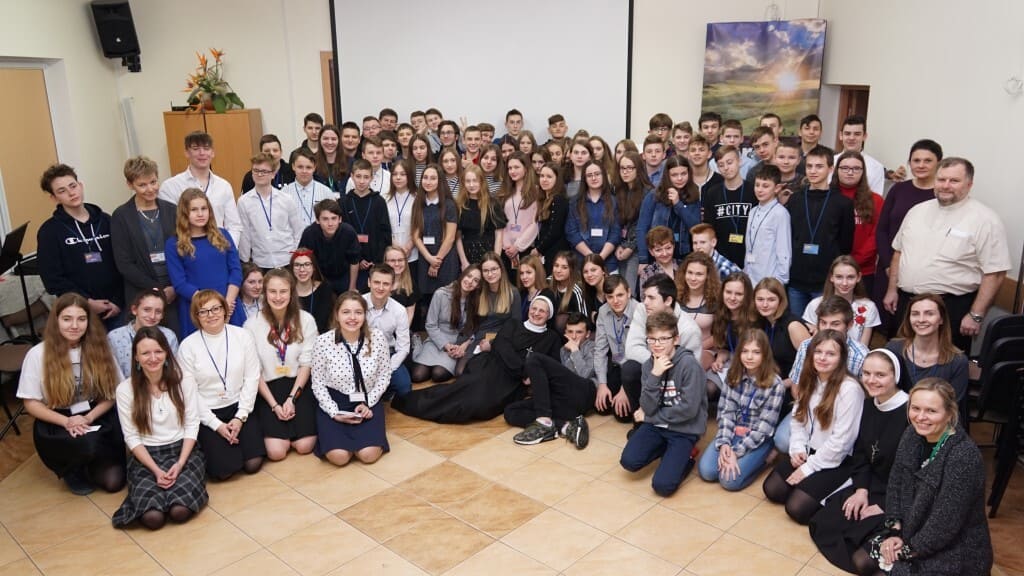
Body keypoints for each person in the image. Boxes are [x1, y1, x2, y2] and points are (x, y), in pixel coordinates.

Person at [884, 157, 1010, 352]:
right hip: (907, 303)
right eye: (941, 179)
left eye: (954, 181)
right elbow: (899, 253)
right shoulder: (917, 211)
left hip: (950, 308)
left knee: (945, 363)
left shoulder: (985, 220)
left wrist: (976, 315)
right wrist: (892, 289)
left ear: (969, 184)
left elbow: (995, 272)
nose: (945, 185)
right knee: (899, 357)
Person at [869, 378, 992, 575]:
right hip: (912, 533)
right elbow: (895, 485)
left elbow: (945, 524)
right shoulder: (911, 434)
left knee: (886, 570)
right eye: (915, 408)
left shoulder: (964, 456)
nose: (921, 417)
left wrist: (907, 550)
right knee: (863, 560)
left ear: (949, 414)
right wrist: (894, 531)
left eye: (931, 411)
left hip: (954, 549)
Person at [808, 349, 908, 575]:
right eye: (866, 373)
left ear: (896, 376)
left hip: (900, 494)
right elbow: (861, 454)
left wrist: (885, 506)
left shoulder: (911, 412)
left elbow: (916, 475)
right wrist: (861, 491)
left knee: (861, 555)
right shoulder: (870, 404)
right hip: (872, 483)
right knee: (823, 522)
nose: (871, 380)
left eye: (880, 375)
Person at [16, 293, 126, 495]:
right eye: (67, 319)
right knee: (87, 443)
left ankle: (90, 462)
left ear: (89, 322)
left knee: (114, 482)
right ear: (56, 320)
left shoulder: (101, 349)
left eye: (81, 319)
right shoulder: (37, 354)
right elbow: (31, 402)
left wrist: (88, 418)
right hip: (57, 419)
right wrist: (67, 422)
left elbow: (111, 394)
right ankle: (72, 468)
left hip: (94, 413)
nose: (74, 326)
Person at [396, 294, 562, 424]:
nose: (536, 313)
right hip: (490, 367)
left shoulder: (552, 338)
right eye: (534, 308)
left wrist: (533, 377)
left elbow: (553, 364)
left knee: (482, 407)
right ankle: (411, 403)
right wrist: (525, 372)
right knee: (459, 393)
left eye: (542, 311)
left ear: (548, 315)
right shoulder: (514, 324)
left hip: (512, 383)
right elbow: (502, 347)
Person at [763, 329, 864, 524]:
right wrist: (797, 448)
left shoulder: (850, 389)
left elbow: (841, 442)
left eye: (830, 354)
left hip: (838, 460)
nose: (822, 358)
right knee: (773, 490)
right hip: (810, 451)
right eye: (818, 352)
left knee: (797, 508)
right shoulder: (809, 379)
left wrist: (808, 468)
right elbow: (798, 419)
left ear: (841, 358)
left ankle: (839, 487)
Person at [112, 326, 207, 529]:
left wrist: (180, 464)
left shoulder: (184, 380)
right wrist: (155, 470)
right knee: (152, 518)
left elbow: (192, 424)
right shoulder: (125, 390)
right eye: (145, 353)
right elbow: (131, 437)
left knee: (180, 511)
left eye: (158, 351)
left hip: (182, 451)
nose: (153, 358)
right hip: (146, 457)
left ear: (166, 353)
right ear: (136, 357)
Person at [177, 290, 264, 480]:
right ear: (196, 316)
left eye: (216, 308)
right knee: (223, 472)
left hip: (240, 406)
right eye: (203, 311)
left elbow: (252, 377)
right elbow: (190, 393)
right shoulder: (187, 346)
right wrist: (216, 425)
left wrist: (240, 416)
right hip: (208, 412)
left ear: (225, 310)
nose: (211, 315)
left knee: (253, 463)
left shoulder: (242, 336)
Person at [619, 310, 707, 496]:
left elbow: (689, 410)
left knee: (662, 486)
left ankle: (686, 456)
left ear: (676, 339)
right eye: (652, 339)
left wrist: (649, 418)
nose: (657, 344)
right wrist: (655, 375)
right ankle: (668, 452)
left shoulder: (689, 365)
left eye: (663, 339)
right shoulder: (649, 366)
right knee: (628, 461)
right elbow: (647, 406)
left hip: (684, 429)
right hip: (658, 426)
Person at [37, 164, 124, 329]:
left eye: (73, 186)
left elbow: (123, 261)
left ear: (81, 186)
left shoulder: (106, 220)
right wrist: (86, 302)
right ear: (54, 198)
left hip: (117, 307)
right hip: (78, 312)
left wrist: (118, 301)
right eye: (62, 191)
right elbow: (53, 279)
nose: (71, 193)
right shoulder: (49, 232)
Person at [244, 269, 319, 461]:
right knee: (276, 452)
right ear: (264, 293)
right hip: (268, 390)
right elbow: (254, 371)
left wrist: (292, 399)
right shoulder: (251, 325)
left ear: (292, 292)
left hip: (298, 386)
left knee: (304, 446)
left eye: (283, 291)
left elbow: (306, 364)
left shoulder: (306, 320)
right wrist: (275, 405)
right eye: (273, 291)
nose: (278, 297)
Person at [310, 292, 391, 466]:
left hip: (367, 400)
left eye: (358, 312)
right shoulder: (323, 342)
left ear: (365, 315)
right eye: (346, 312)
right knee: (339, 457)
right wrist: (333, 411)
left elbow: (384, 375)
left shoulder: (377, 338)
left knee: (368, 455)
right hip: (335, 401)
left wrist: (369, 402)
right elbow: (317, 383)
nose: (352, 318)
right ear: (337, 315)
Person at [698, 329, 784, 491]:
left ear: (765, 355)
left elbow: (763, 429)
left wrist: (736, 452)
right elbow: (726, 413)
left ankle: (765, 459)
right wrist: (724, 444)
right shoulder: (733, 375)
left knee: (729, 481)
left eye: (756, 352)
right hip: (733, 432)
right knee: (707, 472)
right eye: (745, 351)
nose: (749, 357)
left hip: (757, 438)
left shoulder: (775, 384)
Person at [874, 139, 943, 336]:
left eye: (927, 161)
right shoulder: (898, 189)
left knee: (916, 326)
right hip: (889, 268)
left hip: (921, 273)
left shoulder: (942, 195)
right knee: (886, 325)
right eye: (916, 160)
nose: (921, 165)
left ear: (938, 163)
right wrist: (888, 264)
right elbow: (882, 229)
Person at [621, 274, 703, 424]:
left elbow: (692, 370)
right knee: (629, 369)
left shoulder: (689, 330)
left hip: (676, 382)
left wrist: (662, 368)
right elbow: (632, 349)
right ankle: (640, 421)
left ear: (668, 301)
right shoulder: (642, 310)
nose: (645, 302)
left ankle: (662, 421)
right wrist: (655, 367)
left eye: (651, 298)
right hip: (652, 371)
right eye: (645, 297)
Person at [505, 312, 593, 449]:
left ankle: (544, 419)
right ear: (565, 332)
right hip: (567, 404)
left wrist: (575, 351)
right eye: (570, 332)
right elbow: (560, 379)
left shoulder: (593, 347)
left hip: (585, 394)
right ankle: (566, 427)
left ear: (587, 334)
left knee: (534, 359)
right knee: (511, 411)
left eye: (579, 332)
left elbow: (585, 375)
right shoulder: (563, 350)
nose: (574, 336)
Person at [111, 156, 179, 333]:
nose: (150, 189)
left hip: (174, 292)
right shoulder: (121, 216)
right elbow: (124, 263)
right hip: (141, 293)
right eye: (142, 185)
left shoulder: (172, 210)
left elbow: (183, 251)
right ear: (130, 185)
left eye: (153, 182)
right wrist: (157, 290)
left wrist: (174, 286)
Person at [165, 188, 245, 337]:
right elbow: (179, 283)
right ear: (184, 213)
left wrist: (226, 304)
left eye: (204, 208)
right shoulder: (174, 244)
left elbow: (236, 271)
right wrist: (211, 308)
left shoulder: (223, 235)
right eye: (194, 210)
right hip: (197, 308)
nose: (200, 214)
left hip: (229, 304)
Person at [787, 145, 855, 318]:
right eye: (809, 166)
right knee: (796, 326)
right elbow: (789, 237)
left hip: (825, 282)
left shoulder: (843, 203)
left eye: (819, 166)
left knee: (825, 326)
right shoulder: (795, 200)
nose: (813, 171)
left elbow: (846, 244)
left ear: (830, 169)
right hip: (796, 279)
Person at [158, 131, 242, 244]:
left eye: (206, 148)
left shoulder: (224, 186)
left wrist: (227, 248)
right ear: (187, 152)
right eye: (196, 148)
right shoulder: (170, 186)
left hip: (220, 248)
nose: (202, 153)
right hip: (188, 249)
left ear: (212, 153)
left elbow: (234, 225)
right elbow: (169, 227)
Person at [885, 294, 968, 405]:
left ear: (941, 319)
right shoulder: (893, 349)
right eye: (915, 314)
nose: (921, 320)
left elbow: (952, 407)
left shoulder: (958, 361)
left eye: (929, 314)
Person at [409, 266, 482, 383]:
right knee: (418, 375)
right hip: (436, 340)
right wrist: (446, 345)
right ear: (463, 275)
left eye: (475, 280)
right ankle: (418, 347)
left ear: (478, 286)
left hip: (456, 344)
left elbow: (475, 328)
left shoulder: (476, 300)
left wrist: (464, 345)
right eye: (469, 276)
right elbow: (430, 325)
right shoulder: (441, 294)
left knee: (438, 374)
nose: (470, 281)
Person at [637, 154, 700, 274]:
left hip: (684, 255)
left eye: (683, 173)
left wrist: (678, 204)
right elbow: (642, 228)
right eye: (674, 175)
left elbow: (696, 228)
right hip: (658, 255)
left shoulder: (693, 193)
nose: (680, 178)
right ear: (667, 176)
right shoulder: (654, 195)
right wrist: (643, 259)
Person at [412, 164, 460, 323]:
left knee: (446, 300)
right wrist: (429, 258)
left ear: (440, 181)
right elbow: (415, 236)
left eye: (433, 178)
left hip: (445, 260)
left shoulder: (449, 205)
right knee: (427, 301)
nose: (428, 181)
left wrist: (436, 262)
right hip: (425, 258)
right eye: (425, 178)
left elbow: (450, 238)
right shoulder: (418, 203)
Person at [832, 151, 883, 293]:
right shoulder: (827, 197)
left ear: (863, 171)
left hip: (864, 271)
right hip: (832, 270)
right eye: (845, 168)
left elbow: (876, 235)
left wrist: (854, 261)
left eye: (856, 168)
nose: (850, 172)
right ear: (836, 170)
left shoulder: (876, 200)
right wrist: (838, 264)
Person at [803, 256, 880, 346]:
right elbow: (811, 343)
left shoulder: (868, 307)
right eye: (839, 277)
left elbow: (864, 346)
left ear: (858, 277)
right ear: (831, 277)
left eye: (850, 277)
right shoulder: (815, 304)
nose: (844, 283)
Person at [594, 275, 639, 422]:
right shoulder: (603, 311)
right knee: (602, 407)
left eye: (620, 295)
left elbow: (642, 352)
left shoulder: (640, 311)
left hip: (635, 368)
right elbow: (600, 350)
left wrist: (625, 389)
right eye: (610, 297)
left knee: (623, 415)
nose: (615, 301)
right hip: (616, 364)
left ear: (629, 292)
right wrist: (602, 384)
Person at [343, 159, 393, 291]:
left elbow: (385, 233)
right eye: (358, 176)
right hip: (351, 263)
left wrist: (376, 259)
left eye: (366, 177)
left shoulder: (379, 201)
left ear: (371, 178)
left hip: (374, 262)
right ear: (352, 176)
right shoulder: (344, 202)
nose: (361, 181)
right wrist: (358, 259)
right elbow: (342, 235)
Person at [363, 264, 412, 398]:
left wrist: (386, 370)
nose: (380, 287)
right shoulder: (357, 304)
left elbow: (403, 348)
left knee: (404, 387)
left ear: (392, 286)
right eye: (376, 282)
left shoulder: (399, 310)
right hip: (361, 353)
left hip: (387, 354)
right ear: (369, 282)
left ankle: (386, 391)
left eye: (385, 284)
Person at [107, 289, 180, 378]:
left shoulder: (169, 336)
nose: (152, 316)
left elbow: (173, 371)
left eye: (158, 312)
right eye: (147, 310)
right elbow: (112, 373)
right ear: (134, 310)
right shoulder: (115, 337)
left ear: (162, 315)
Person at [702, 146, 755, 267]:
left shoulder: (752, 190)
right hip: (722, 257)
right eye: (721, 165)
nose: (726, 168)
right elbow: (709, 226)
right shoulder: (713, 193)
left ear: (739, 161)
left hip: (750, 255)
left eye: (730, 162)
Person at [708, 272, 758, 400]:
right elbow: (725, 348)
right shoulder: (721, 313)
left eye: (739, 294)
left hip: (751, 365)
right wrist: (719, 360)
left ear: (747, 296)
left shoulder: (755, 319)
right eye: (728, 292)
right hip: (729, 362)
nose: (732, 297)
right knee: (708, 388)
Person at [567, 160, 621, 272]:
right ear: (584, 179)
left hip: (608, 263)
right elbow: (572, 232)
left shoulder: (614, 202)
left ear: (603, 175)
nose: (593, 178)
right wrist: (590, 257)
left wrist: (600, 257)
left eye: (597, 174)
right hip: (582, 263)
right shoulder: (575, 202)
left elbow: (615, 233)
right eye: (589, 175)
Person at [299, 199, 361, 295]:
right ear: (317, 220)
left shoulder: (348, 232)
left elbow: (354, 261)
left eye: (334, 218)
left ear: (340, 219)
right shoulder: (309, 234)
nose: (330, 223)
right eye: (325, 219)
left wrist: (352, 287)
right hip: (319, 277)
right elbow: (303, 260)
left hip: (343, 276)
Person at [744, 163, 791, 285]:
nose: (759, 190)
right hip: (750, 276)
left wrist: (780, 280)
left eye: (765, 186)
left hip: (770, 279)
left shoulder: (780, 213)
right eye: (757, 185)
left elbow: (784, 250)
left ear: (777, 188)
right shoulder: (752, 211)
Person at [753, 278, 810, 378]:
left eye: (771, 300)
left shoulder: (793, 326)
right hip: (769, 380)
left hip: (793, 382)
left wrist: (788, 383)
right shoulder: (760, 322)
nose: (765, 305)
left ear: (781, 301)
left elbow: (811, 362)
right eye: (760, 299)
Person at [675, 251, 720, 371]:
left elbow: (719, 335)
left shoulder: (715, 300)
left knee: (690, 365)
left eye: (699, 274)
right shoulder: (675, 297)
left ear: (708, 276)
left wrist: (695, 348)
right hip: (676, 349)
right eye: (690, 273)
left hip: (704, 349)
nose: (693, 278)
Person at [457, 164, 506, 267]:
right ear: (463, 183)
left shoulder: (493, 204)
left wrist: (495, 260)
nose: (471, 185)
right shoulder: (459, 205)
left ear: (481, 181)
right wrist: (463, 261)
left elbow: (499, 235)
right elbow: (458, 237)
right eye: (468, 181)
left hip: (489, 255)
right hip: (467, 256)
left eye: (475, 181)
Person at [499, 152, 540, 271]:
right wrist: (507, 246)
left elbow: (535, 223)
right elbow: (501, 222)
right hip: (506, 249)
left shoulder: (536, 192)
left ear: (526, 168)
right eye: (510, 168)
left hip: (526, 248)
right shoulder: (504, 191)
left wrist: (517, 246)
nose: (512, 171)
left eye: (516, 167)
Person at [614, 152, 647, 290]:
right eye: (622, 168)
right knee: (619, 288)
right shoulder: (619, 191)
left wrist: (630, 247)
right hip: (621, 247)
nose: (625, 172)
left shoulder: (648, 192)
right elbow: (618, 223)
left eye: (629, 168)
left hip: (638, 248)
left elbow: (643, 225)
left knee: (629, 290)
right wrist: (619, 245)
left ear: (638, 169)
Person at [472, 252, 522, 342]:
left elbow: (516, 325)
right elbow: (473, 324)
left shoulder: (513, 293)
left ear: (501, 269)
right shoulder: (479, 292)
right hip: (479, 339)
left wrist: (492, 342)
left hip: (502, 340)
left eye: (494, 269)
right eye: (485, 271)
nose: (490, 274)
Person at [531, 162, 571, 274]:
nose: (544, 179)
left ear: (557, 180)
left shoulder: (558, 199)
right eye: (542, 176)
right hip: (546, 251)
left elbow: (555, 231)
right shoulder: (543, 199)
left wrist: (538, 249)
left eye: (549, 177)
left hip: (556, 252)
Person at [834, 115, 885, 195]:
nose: (851, 138)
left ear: (864, 136)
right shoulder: (830, 162)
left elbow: (875, 199)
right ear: (841, 135)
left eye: (857, 134)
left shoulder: (876, 167)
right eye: (847, 134)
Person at [286, 148, 334, 230]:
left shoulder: (326, 192)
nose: (304, 171)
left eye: (308, 167)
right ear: (293, 166)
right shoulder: (284, 193)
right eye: (300, 167)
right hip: (293, 237)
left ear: (314, 167)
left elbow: (333, 220)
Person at [290, 248, 336, 334]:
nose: (302, 269)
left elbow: (323, 323)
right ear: (292, 268)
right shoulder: (287, 291)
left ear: (313, 267)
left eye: (307, 264)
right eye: (297, 265)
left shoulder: (325, 289)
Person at [386, 158, 418, 267]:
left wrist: (409, 246)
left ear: (409, 176)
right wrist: (396, 247)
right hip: (391, 255)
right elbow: (383, 227)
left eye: (403, 174)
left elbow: (420, 225)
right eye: (395, 174)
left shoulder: (417, 198)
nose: (398, 178)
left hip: (412, 253)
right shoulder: (385, 199)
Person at [383, 245, 419, 325]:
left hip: (401, 328)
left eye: (400, 260)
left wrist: (402, 331)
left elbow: (409, 314)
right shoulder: (376, 282)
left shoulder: (410, 284)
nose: (397, 264)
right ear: (385, 262)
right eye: (392, 260)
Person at [638, 226, 680, 291]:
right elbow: (645, 296)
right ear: (651, 252)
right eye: (658, 250)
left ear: (674, 246)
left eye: (668, 248)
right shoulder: (647, 273)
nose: (664, 254)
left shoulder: (684, 266)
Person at [313, 125, 348, 194]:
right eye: (325, 138)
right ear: (320, 140)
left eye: (333, 139)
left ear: (339, 141)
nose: (330, 142)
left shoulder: (350, 162)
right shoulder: (312, 162)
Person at [516, 254, 551, 319]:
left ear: (538, 273)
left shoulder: (547, 295)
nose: (524, 277)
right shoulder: (522, 293)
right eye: (521, 273)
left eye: (528, 272)